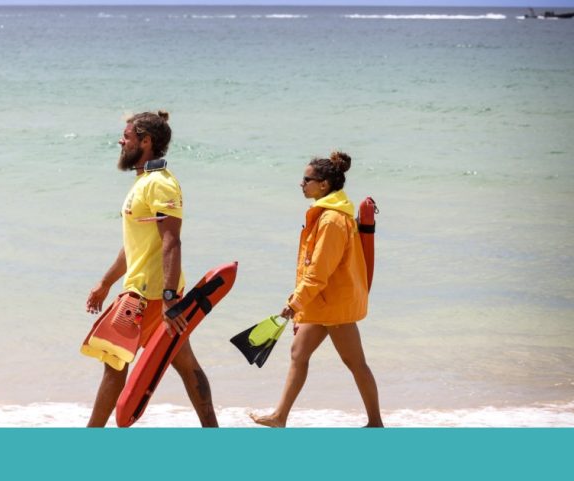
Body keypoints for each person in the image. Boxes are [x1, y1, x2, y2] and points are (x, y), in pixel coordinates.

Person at [84, 110, 218, 427]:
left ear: (146, 141)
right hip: (145, 290)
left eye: (127, 136)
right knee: (185, 365)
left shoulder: (160, 184)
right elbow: (136, 246)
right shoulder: (144, 181)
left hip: (150, 295)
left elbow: (172, 241)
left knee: (114, 362)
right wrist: (105, 283)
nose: (121, 140)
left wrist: (171, 297)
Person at [251, 151, 384, 428]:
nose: (302, 184)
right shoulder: (327, 215)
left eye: (306, 179)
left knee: (355, 362)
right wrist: (301, 304)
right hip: (323, 303)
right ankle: (279, 417)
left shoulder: (331, 221)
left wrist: (295, 303)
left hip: (334, 305)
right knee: (299, 353)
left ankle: (375, 422)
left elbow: (320, 270)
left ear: (323, 185)